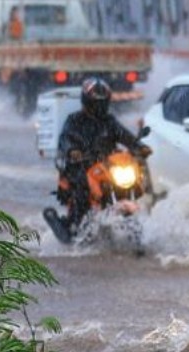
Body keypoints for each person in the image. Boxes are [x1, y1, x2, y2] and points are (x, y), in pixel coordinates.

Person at [44, 77, 148, 244]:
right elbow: (65, 139)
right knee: (81, 189)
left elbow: (124, 135)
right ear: (87, 102)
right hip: (81, 166)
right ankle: (73, 227)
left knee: (135, 183)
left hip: (106, 166)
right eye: (95, 103)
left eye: (102, 103)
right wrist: (73, 151)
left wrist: (139, 146)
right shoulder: (74, 120)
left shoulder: (110, 121)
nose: (99, 107)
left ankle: (137, 227)